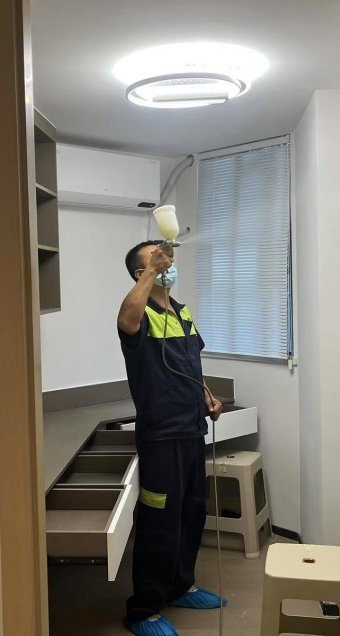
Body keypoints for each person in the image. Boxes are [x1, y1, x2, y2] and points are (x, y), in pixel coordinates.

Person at [117, 240, 226, 636]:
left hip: (192, 428)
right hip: (161, 436)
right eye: (156, 260)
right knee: (159, 521)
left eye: (166, 259)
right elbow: (125, 321)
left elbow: (190, 363)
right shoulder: (139, 312)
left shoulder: (182, 311)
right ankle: (143, 609)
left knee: (191, 512)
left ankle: (180, 586)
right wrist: (151, 272)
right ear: (140, 272)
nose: (167, 263)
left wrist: (207, 396)